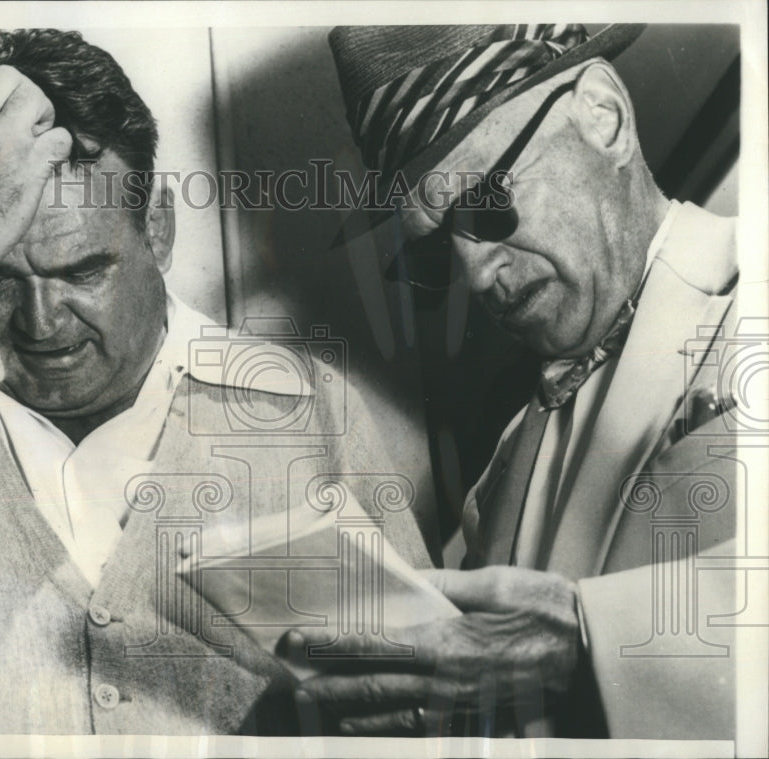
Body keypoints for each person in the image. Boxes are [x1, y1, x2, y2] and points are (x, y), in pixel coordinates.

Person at [0, 28, 433, 734]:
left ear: (158, 230)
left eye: (82, 271)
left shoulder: (305, 408)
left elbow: (424, 707)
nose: (42, 323)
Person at [284, 23, 739, 739]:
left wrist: (588, 647)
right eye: (436, 253)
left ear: (603, 117)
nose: (476, 275)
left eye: (485, 203)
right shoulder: (498, 481)